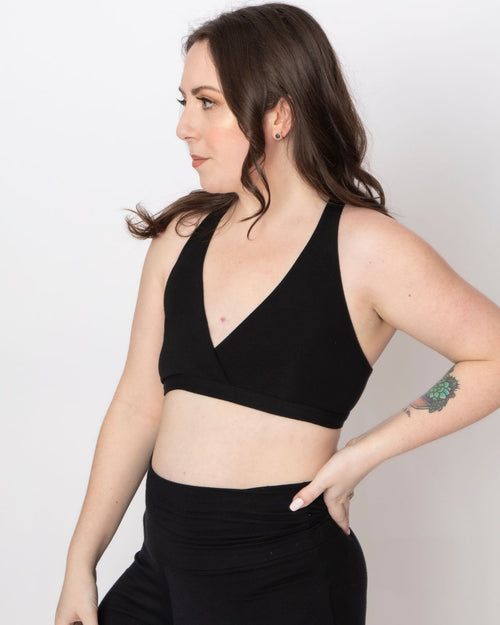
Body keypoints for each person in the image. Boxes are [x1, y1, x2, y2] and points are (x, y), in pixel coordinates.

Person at [54, 3, 500, 625]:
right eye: (184, 102)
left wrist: (363, 453)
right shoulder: (181, 237)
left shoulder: (365, 248)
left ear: (280, 114)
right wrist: (81, 561)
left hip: (283, 576)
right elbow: (137, 402)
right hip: (160, 569)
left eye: (207, 102)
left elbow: (492, 356)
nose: (184, 127)